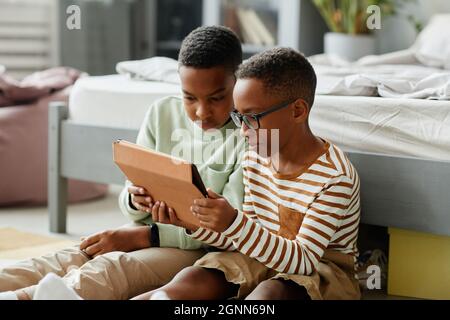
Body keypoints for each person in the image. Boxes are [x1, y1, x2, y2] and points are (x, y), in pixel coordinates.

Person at [0, 25, 245, 300]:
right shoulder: (161, 112)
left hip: (196, 248)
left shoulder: (250, 136)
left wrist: (144, 237)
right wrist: (135, 199)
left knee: (112, 268)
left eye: (216, 98)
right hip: (145, 230)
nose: (201, 112)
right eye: (189, 97)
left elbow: (232, 228)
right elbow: (131, 204)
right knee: (73, 254)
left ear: (239, 81)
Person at [134, 47, 362, 300]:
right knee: (195, 277)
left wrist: (233, 222)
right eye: (238, 117)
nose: (243, 131)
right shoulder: (255, 159)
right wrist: (191, 222)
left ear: (297, 111)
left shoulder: (334, 176)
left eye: (252, 118)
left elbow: (303, 261)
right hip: (261, 255)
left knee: (270, 292)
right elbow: (243, 239)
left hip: (319, 271)